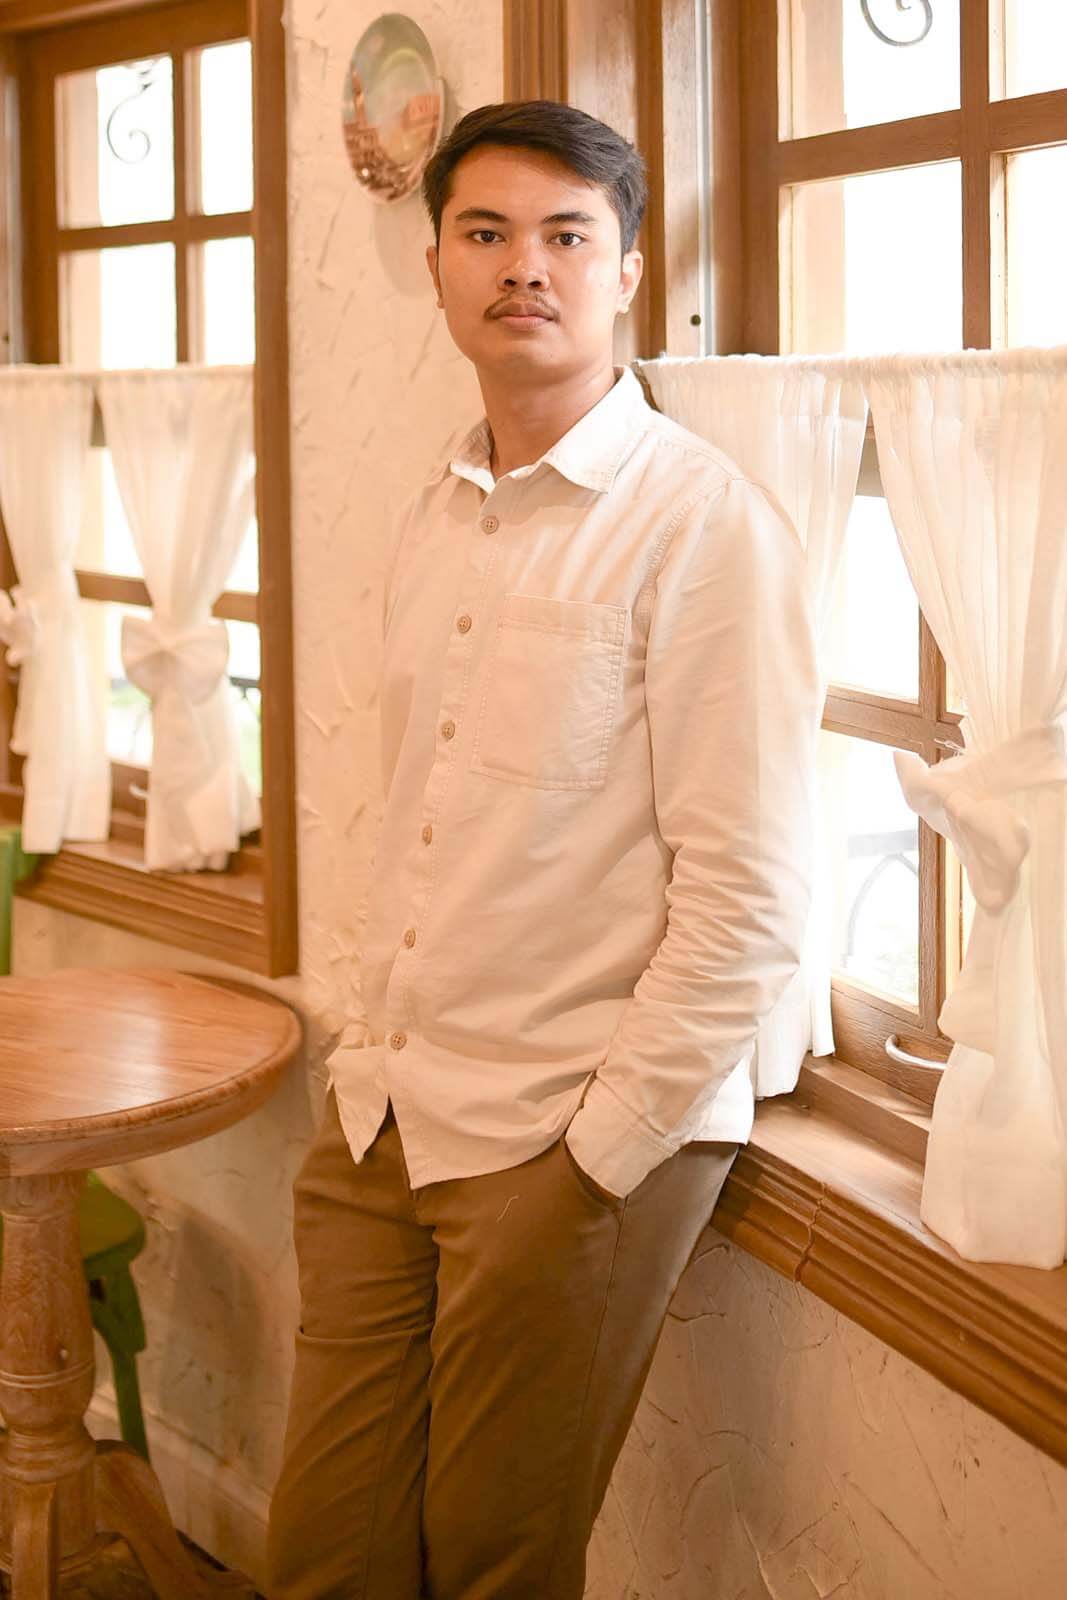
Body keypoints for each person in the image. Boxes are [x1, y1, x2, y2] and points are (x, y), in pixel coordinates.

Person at [266, 99, 821, 1599]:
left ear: (627, 272)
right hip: (387, 1114)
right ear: (437, 266)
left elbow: (752, 894)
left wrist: (598, 1157)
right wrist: (359, 1036)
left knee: (495, 1567)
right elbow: (413, 815)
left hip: (559, 1140)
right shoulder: (439, 513)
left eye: (568, 234)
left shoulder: (705, 527)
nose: (526, 266)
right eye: (487, 232)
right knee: (321, 1556)